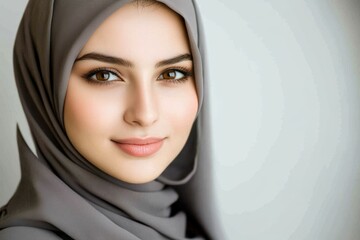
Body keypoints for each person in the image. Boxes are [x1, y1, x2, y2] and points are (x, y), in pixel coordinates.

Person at [0, 0, 223, 239]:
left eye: (172, 73)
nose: (145, 115)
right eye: (104, 75)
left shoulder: (184, 229)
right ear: (44, 82)